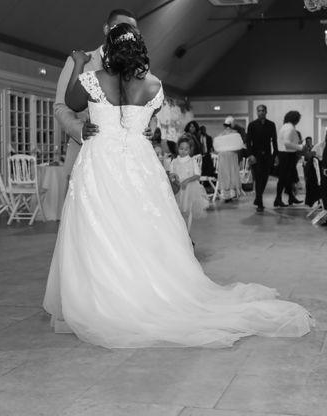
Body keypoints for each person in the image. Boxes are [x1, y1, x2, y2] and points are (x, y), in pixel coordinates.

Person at [43, 23, 312, 348]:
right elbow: (142, 117)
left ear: (109, 50)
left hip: (101, 160)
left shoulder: (94, 79)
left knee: (98, 228)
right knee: (141, 230)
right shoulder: (154, 86)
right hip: (139, 164)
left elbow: (71, 103)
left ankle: (103, 298)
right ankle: (143, 294)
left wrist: (76, 63)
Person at [54, 9, 144, 176]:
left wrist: (143, 128)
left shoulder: (137, 68)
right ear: (106, 29)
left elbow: (143, 106)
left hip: (126, 160)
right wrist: (80, 130)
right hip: (85, 155)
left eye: (130, 28)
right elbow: (61, 106)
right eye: (119, 26)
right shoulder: (79, 61)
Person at [170, 137, 209, 230]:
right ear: (177, 148)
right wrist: (173, 178)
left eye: (186, 149)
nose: (183, 151)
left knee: (187, 211)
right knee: (177, 211)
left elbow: (197, 175)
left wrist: (186, 181)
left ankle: (188, 232)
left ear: (190, 150)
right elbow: (171, 174)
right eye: (181, 148)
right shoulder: (174, 161)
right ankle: (180, 231)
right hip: (177, 189)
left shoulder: (192, 161)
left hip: (189, 188)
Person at [246, 105, 279, 212]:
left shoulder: (271, 125)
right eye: (259, 111)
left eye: (263, 110)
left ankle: (257, 197)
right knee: (258, 178)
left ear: (266, 112)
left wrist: (276, 155)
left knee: (264, 178)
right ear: (257, 112)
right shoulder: (252, 125)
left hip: (267, 155)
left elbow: (274, 141)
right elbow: (248, 141)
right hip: (256, 156)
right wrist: (250, 155)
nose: (261, 112)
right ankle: (260, 202)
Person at [275, 111, 305, 207]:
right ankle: (278, 199)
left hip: (284, 154)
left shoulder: (285, 126)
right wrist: (300, 147)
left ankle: (290, 197)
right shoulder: (290, 128)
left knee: (287, 178)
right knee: (284, 178)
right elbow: (287, 143)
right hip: (287, 155)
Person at [213, 116, 245, 202]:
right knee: (232, 172)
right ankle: (231, 193)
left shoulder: (220, 134)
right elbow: (240, 145)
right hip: (231, 155)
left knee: (225, 173)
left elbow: (216, 146)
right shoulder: (235, 133)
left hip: (223, 156)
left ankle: (226, 195)